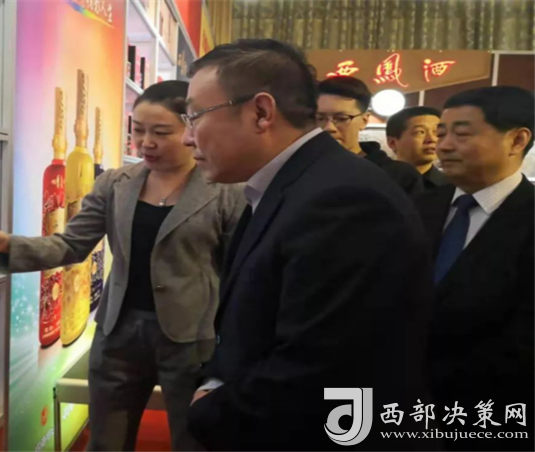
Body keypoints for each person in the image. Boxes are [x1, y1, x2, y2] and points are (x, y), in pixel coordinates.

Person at [0, 81, 245, 451]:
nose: (145, 143)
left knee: (194, 438)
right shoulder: (115, 183)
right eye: (138, 130)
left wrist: (233, 343)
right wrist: (9, 245)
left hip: (192, 336)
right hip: (118, 332)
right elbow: (71, 244)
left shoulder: (225, 190)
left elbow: (239, 272)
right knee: (106, 441)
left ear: (191, 129)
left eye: (161, 132)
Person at [182, 39, 433, 451]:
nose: (187, 138)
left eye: (194, 116)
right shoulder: (292, 185)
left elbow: (320, 366)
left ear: (261, 113)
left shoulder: (343, 200)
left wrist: (210, 410)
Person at [414, 86, 534, 451]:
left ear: (517, 140)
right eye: (442, 134)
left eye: (462, 134)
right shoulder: (416, 208)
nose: (444, 146)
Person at [316, 76, 424, 195]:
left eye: (342, 118)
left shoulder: (398, 176)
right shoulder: (304, 170)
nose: (328, 127)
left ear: (364, 120)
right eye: (320, 118)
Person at [387, 106, 448, 190]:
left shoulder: (452, 187)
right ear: (392, 143)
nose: (432, 139)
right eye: (420, 132)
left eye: (436, 132)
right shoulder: (377, 181)